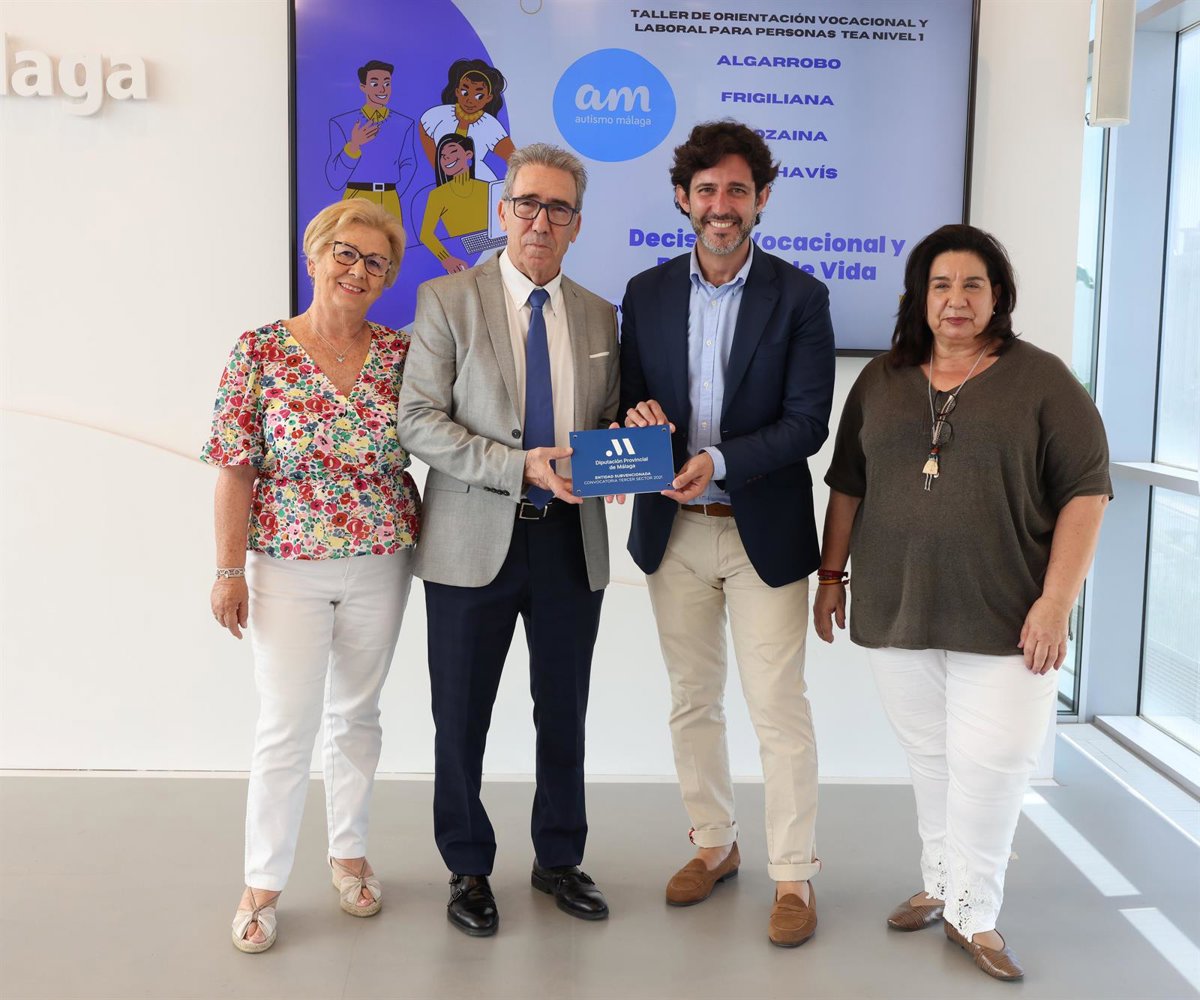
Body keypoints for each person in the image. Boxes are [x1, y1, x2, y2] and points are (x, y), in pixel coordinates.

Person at [814, 224, 1110, 981]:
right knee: (933, 759)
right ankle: (942, 885)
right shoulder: (881, 379)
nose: (956, 299)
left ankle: (976, 914)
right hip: (899, 605)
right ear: (919, 298)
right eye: (941, 285)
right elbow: (847, 485)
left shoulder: (1042, 381)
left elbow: (1086, 493)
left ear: (998, 296)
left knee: (995, 764)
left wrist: (1056, 603)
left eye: (973, 285)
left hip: (1007, 611)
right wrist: (831, 577)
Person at [620, 120, 835, 947]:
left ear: (762, 199)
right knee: (692, 700)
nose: (721, 205)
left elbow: (807, 424)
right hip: (672, 529)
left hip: (760, 535)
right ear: (683, 199)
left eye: (737, 190)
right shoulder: (646, 293)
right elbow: (625, 402)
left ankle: (794, 874)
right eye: (706, 190)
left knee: (778, 706)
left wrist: (717, 459)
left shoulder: (800, 297)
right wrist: (633, 418)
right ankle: (714, 844)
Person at [397, 142, 619, 937]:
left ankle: (559, 857)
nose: (540, 221)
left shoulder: (599, 314)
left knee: (564, 712)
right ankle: (467, 865)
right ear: (504, 211)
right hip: (470, 543)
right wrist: (515, 466)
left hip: (569, 543)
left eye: (558, 208)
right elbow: (418, 420)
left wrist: (628, 438)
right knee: (461, 718)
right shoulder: (447, 299)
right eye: (528, 204)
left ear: (577, 223)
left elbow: (606, 418)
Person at [202, 200, 419, 953]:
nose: (358, 271)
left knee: (357, 716)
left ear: (388, 278)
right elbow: (233, 468)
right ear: (315, 256)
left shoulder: (401, 354)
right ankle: (262, 881)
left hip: (383, 559)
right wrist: (228, 569)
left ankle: (349, 853)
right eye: (346, 254)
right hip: (286, 565)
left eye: (376, 262)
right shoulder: (260, 350)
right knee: (286, 724)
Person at [326, 60, 418, 223]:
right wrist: (354, 145)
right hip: (356, 198)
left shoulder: (405, 124)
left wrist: (393, 193)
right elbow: (334, 178)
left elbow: (409, 163)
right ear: (363, 87)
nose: (382, 89)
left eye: (387, 84)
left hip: (390, 199)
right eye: (375, 84)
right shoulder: (341, 123)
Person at [419, 59, 514, 183]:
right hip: (445, 183)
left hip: (480, 181)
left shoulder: (490, 125)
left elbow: (514, 158)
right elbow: (424, 128)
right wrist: (438, 166)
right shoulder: (439, 115)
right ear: (457, 91)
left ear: (488, 98)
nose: (470, 100)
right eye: (465, 92)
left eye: (479, 96)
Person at [418, 134, 490, 274]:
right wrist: (447, 259)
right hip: (461, 255)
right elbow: (425, 235)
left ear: (468, 155)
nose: (447, 158)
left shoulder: (487, 188)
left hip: (489, 252)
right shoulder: (438, 195)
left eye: (453, 151)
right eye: (443, 155)